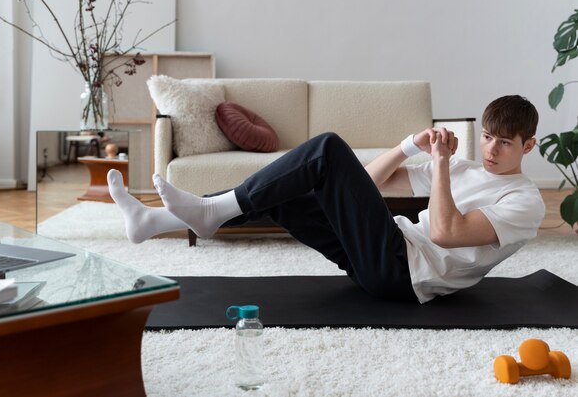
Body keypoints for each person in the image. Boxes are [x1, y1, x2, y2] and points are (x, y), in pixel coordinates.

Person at [107, 95, 544, 304]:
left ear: (527, 146)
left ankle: (205, 214)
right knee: (285, 190)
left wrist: (442, 164)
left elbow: (449, 233)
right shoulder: (466, 169)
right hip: (382, 251)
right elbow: (365, 183)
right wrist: (411, 144)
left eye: (504, 143)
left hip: (402, 273)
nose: (489, 150)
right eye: (486, 138)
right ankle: (157, 221)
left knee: (328, 147)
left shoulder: (525, 201)